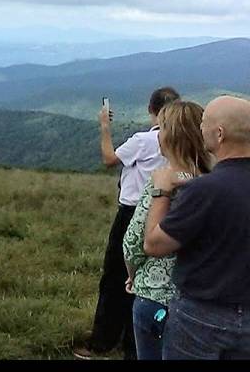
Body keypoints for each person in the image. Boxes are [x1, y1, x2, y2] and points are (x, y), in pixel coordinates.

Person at [73, 86, 179, 360]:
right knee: (148, 280)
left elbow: (110, 159)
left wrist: (105, 127)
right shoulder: (180, 141)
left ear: (150, 110)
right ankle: (136, 341)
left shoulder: (143, 140)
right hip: (166, 211)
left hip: (133, 212)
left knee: (114, 277)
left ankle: (103, 340)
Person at [143, 95, 250, 359]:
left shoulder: (205, 190)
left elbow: (155, 245)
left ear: (219, 134)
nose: (200, 129)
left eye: (204, 123)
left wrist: (161, 192)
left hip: (201, 318)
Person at [121, 100, 212, 359]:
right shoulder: (213, 184)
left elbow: (134, 242)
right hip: (204, 303)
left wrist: (133, 274)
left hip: (155, 296)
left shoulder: (160, 183)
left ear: (168, 138)